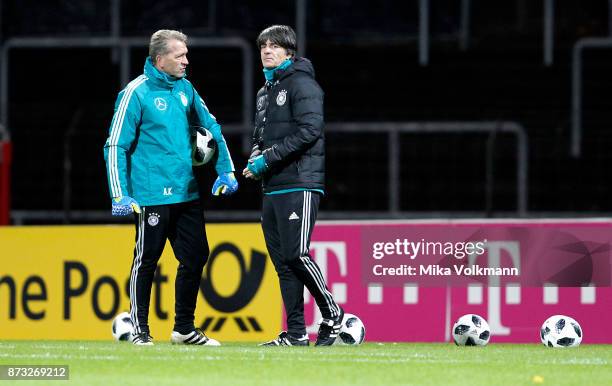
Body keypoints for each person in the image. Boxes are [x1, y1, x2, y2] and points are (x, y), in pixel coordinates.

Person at [103, 29, 238, 346]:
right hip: (151, 194)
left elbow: (212, 126)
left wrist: (226, 170)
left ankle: (184, 329)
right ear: (160, 59)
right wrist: (119, 192)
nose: (186, 61)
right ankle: (139, 330)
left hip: (186, 191)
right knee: (146, 259)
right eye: (180, 56)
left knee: (196, 256)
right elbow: (115, 146)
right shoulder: (134, 93)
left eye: (186, 54)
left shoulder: (186, 89)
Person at [243, 25, 344, 346]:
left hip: (300, 181)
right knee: (284, 265)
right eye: (263, 46)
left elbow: (310, 130)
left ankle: (332, 313)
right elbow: (262, 138)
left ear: (289, 51)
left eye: (274, 46)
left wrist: (268, 158)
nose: (267, 51)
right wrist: (256, 158)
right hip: (273, 186)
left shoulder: (303, 84)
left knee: (297, 254)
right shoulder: (264, 92)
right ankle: (297, 333)